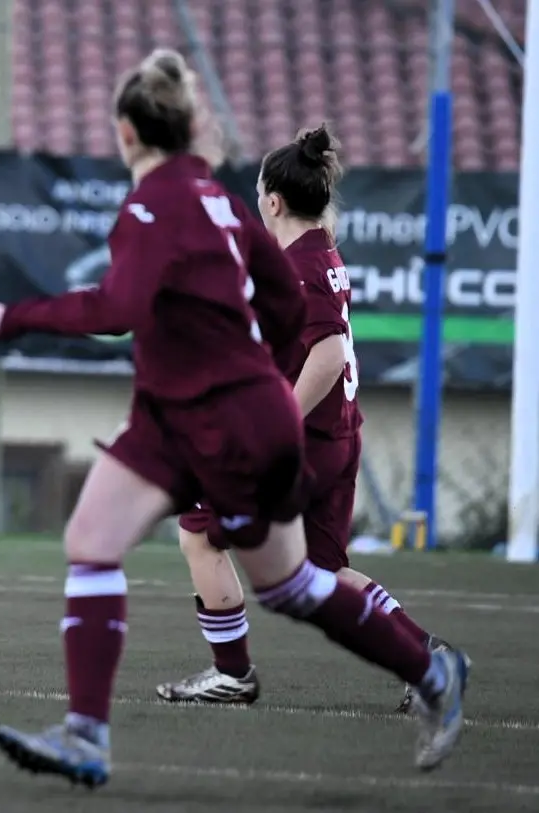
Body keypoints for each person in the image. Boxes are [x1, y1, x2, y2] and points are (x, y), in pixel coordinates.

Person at [0, 49, 470, 789]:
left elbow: (115, 309)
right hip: (195, 416)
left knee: (290, 585)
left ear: (127, 132)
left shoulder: (150, 205)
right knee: (101, 539)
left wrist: (13, 315)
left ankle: (430, 669)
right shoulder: (218, 200)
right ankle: (85, 736)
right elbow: (287, 308)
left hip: (214, 418)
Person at [155, 124, 452, 713]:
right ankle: (429, 660)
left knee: (198, 531)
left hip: (304, 441)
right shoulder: (321, 254)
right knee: (323, 568)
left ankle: (231, 673)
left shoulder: (299, 267)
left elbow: (329, 353)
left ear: (273, 201)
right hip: (338, 434)